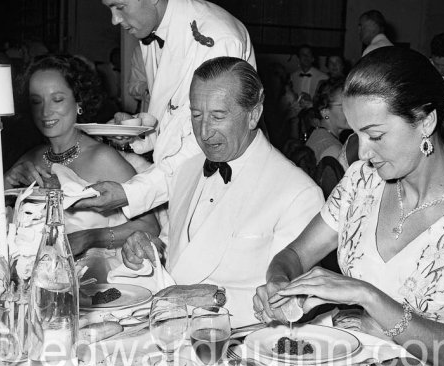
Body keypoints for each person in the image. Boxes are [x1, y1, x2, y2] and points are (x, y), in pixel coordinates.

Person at [254, 47, 444, 366]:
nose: (363, 151)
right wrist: (279, 285)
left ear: (426, 121)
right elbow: (295, 254)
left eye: (375, 135)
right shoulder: (361, 181)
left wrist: (365, 296)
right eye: (356, 134)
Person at [121, 57, 323, 326]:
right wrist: (150, 248)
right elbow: (177, 254)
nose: (204, 132)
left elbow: (289, 306)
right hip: (166, 332)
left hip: (237, 345)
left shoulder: (299, 192)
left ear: (253, 115)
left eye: (218, 116)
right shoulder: (186, 170)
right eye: (196, 115)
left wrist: (200, 300)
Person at [79, 0, 255, 220]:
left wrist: (131, 194)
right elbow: (175, 120)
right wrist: (137, 136)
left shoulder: (216, 39)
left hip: (220, 195)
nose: (114, 20)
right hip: (180, 188)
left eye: (119, 7)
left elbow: (205, 142)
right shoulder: (152, 30)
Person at [3, 54, 159, 278]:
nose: (45, 112)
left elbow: (150, 226)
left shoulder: (102, 157)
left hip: (96, 278)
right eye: (37, 101)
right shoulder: (31, 157)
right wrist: (7, 182)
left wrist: (90, 238)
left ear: (79, 103)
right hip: (38, 276)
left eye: (57, 99)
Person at [307, 77, 350, 163]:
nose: (352, 110)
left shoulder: (319, 134)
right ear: (325, 113)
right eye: (344, 105)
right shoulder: (333, 150)